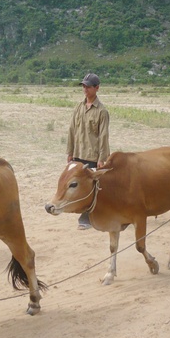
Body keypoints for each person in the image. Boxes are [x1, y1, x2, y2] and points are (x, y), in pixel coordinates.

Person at [67, 73, 110, 230]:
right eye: (83, 86)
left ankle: (87, 216)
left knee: (93, 186)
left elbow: (104, 136)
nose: (85, 89)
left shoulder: (102, 112)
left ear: (97, 88)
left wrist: (102, 158)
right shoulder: (78, 107)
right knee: (77, 184)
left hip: (93, 155)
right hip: (78, 153)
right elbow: (72, 130)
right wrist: (70, 152)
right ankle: (82, 210)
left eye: (88, 86)